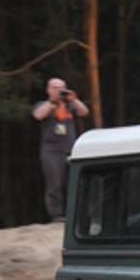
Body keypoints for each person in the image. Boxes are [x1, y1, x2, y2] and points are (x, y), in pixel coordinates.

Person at [32, 77, 90, 221]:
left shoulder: (70, 105)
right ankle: (56, 214)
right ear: (48, 89)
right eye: (55, 88)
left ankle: (75, 213)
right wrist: (52, 102)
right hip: (51, 151)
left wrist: (73, 99)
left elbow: (84, 112)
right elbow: (38, 115)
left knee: (74, 181)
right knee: (55, 182)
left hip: (71, 149)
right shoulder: (43, 105)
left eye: (61, 88)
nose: (59, 91)